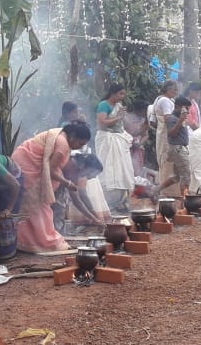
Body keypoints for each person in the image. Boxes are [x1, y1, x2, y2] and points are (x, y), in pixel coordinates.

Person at [12, 121, 92, 253]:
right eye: (80, 143)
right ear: (72, 136)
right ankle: (46, 241)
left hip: (23, 161)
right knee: (39, 206)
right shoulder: (63, 146)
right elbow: (50, 171)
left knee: (35, 207)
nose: (78, 148)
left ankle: (27, 241)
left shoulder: (61, 135)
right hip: (27, 166)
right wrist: (67, 183)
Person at [95, 83, 136, 215]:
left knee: (123, 169)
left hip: (119, 140)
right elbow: (102, 122)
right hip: (107, 140)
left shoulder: (119, 106)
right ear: (113, 93)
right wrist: (118, 116)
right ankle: (108, 203)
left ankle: (121, 202)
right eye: (121, 94)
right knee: (108, 169)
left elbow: (124, 124)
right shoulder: (103, 105)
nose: (122, 97)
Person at [55, 153, 107, 231]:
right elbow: (78, 199)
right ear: (88, 168)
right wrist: (95, 218)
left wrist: (95, 218)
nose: (94, 177)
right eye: (94, 173)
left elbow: (77, 198)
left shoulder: (77, 173)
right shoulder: (71, 166)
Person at [158, 96, 193, 196]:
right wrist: (180, 121)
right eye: (186, 108)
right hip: (177, 149)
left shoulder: (178, 118)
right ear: (177, 107)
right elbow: (171, 134)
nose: (188, 111)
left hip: (179, 149)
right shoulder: (173, 118)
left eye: (188, 109)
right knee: (186, 175)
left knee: (177, 176)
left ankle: (156, 189)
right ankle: (185, 202)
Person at [152, 80, 179, 194]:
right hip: (167, 134)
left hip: (164, 133)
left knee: (169, 162)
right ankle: (169, 191)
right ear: (168, 89)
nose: (176, 92)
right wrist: (180, 121)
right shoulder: (164, 100)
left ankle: (171, 190)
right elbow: (168, 118)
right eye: (175, 89)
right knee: (168, 161)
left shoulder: (161, 99)